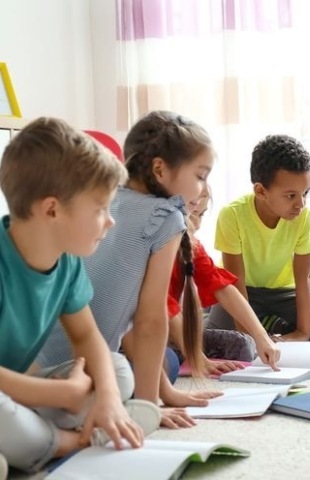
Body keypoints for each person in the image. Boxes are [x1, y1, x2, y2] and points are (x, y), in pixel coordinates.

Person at [37, 111, 224, 430]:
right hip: (77, 366)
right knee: (119, 379)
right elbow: (149, 322)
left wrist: (165, 392)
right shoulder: (166, 217)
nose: (203, 188)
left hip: (34, 361)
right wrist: (150, 408)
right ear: (160, 169)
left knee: (121, 373)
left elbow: (132, 326)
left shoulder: (106, 200)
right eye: (200, 175)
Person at [0, 118, 160, 476]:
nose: (111, 221)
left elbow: (86, 337)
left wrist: (105, 396)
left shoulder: (67, 262)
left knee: (117, 371)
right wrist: (57, 396)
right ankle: (68, 441)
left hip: (18, 393)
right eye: (101, 208)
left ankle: (37, 437)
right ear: (52, 210)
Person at [208, 134, 310, 341]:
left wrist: (302, 333)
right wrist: (251, 338)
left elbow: (303, 278)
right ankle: (267, 323)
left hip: (283, 293)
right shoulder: (232, 214)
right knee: (222, 334)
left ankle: (270, 321)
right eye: (291, 196)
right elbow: (236, 282)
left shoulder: (303, 216)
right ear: (261, 191)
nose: (301, 204)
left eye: (305, 193)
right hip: (243, 292)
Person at [166, 189, 280, 378]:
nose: (197, 223)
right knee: (166, 364)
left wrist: (262, 337)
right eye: (192, 214)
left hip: (179, 334)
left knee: (243, 346)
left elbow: (222, 286)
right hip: (146, 335)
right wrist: (197, 359)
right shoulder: (158, 246)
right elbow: (165, 307)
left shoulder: (192, 245)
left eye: (201, 214)